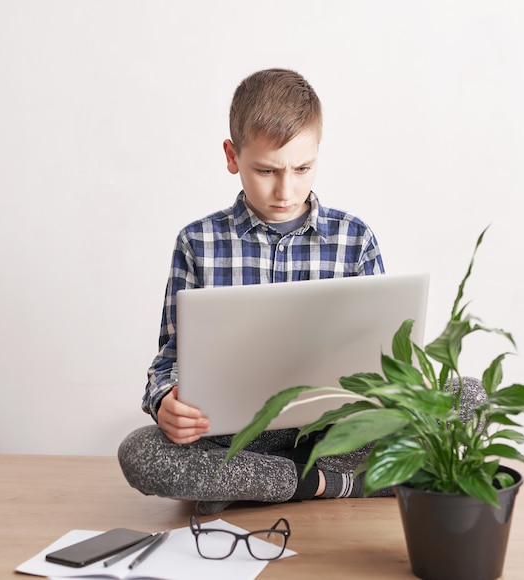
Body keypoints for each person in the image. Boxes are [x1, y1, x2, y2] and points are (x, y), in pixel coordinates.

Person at [117, 68, 486, 514]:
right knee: (140, 453)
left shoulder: (354, 238)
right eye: (266, 170)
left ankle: (258, 484)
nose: (285, 190)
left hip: (333, 426)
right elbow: (168, 363)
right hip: (236, 433)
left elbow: (390, 358)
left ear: (317, 157)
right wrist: (164, 404)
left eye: (302, 168)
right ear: (232, 156)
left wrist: (403, 386)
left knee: (471, 395)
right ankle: (340, 480)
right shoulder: (197, 242)